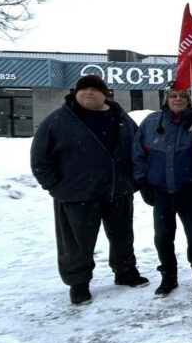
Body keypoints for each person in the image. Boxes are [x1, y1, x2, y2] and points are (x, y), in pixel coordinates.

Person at [30, 74, 148, 306]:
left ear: (105, 93)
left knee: (122, 235)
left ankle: (124, 271)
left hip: (118, 190)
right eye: (83, 89)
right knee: (77, 241)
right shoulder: (58, 121)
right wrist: (57, 187)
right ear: (75, 93)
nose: (88, 93)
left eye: (94, 89)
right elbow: (40, 160)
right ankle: (79, 283)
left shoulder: (121, 118)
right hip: (77, 194)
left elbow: (139, 150)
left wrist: (134, 182)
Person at [133, 89, 192, 296]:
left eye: (183, 96)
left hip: (190, 190)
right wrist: (141, 181)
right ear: (166, 100)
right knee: (163, 238)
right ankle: (168, 277)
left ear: (189, 100)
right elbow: (137, 153)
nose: (177, 99)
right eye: (173, 96)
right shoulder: (151, 122)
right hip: (161, 191)